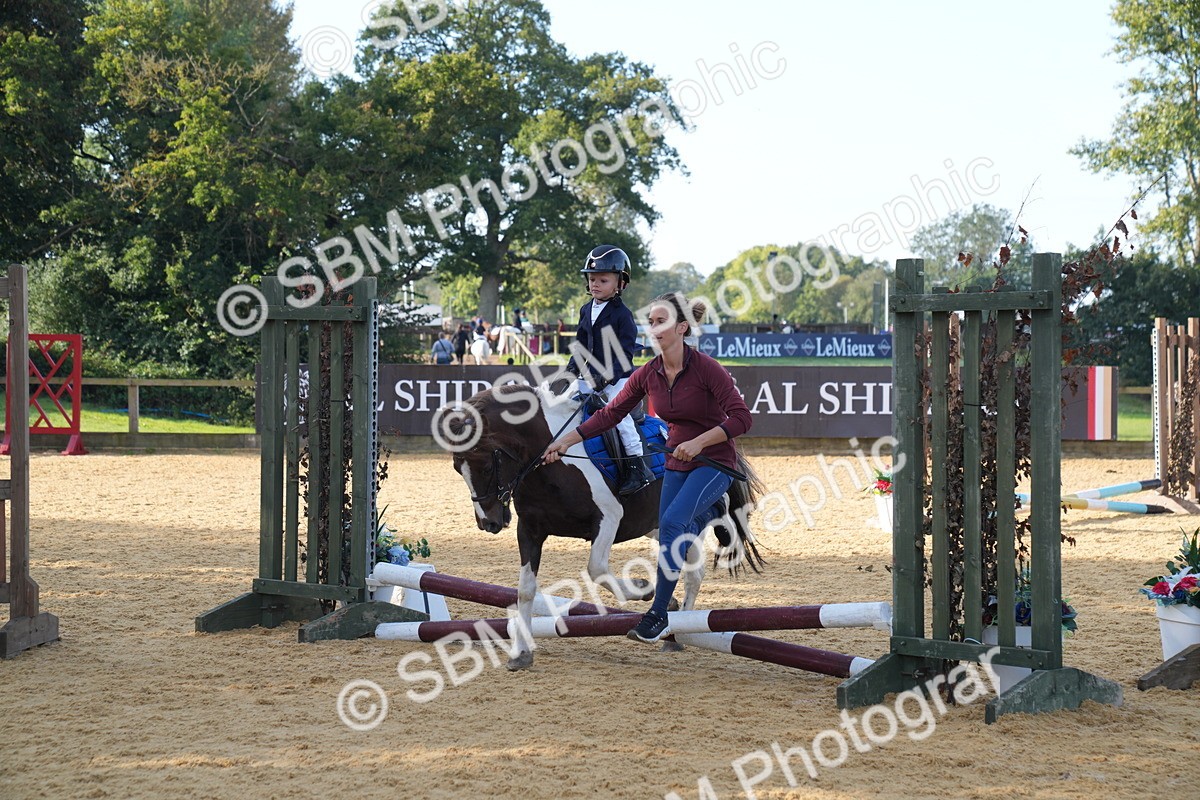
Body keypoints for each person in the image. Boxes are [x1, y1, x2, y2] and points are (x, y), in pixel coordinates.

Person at [542, 292, 752, 644]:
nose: (652, 329)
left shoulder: (706, 369)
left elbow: (743, 418)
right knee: (670, 525)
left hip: (714, 462)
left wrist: (699, 442)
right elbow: (610, 414)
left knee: (670, 523)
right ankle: (713, 512)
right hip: (675, 461)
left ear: (682, 327)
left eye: (660, 322)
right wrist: (565, 442)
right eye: (650, 322)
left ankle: (656, 614)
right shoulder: (648, 373)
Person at [565, 245, 651, 496]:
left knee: (619, 419)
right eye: (592, 279)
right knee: (564, 407)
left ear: (620, 283)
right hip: (589, 377)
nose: (595, 284)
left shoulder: (623, 315)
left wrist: (605, 378)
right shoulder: (585, 309)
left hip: (618, 379)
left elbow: (625, 355)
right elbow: (581, 344)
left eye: (602, 280)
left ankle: (637, 467)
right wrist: (571, 370)